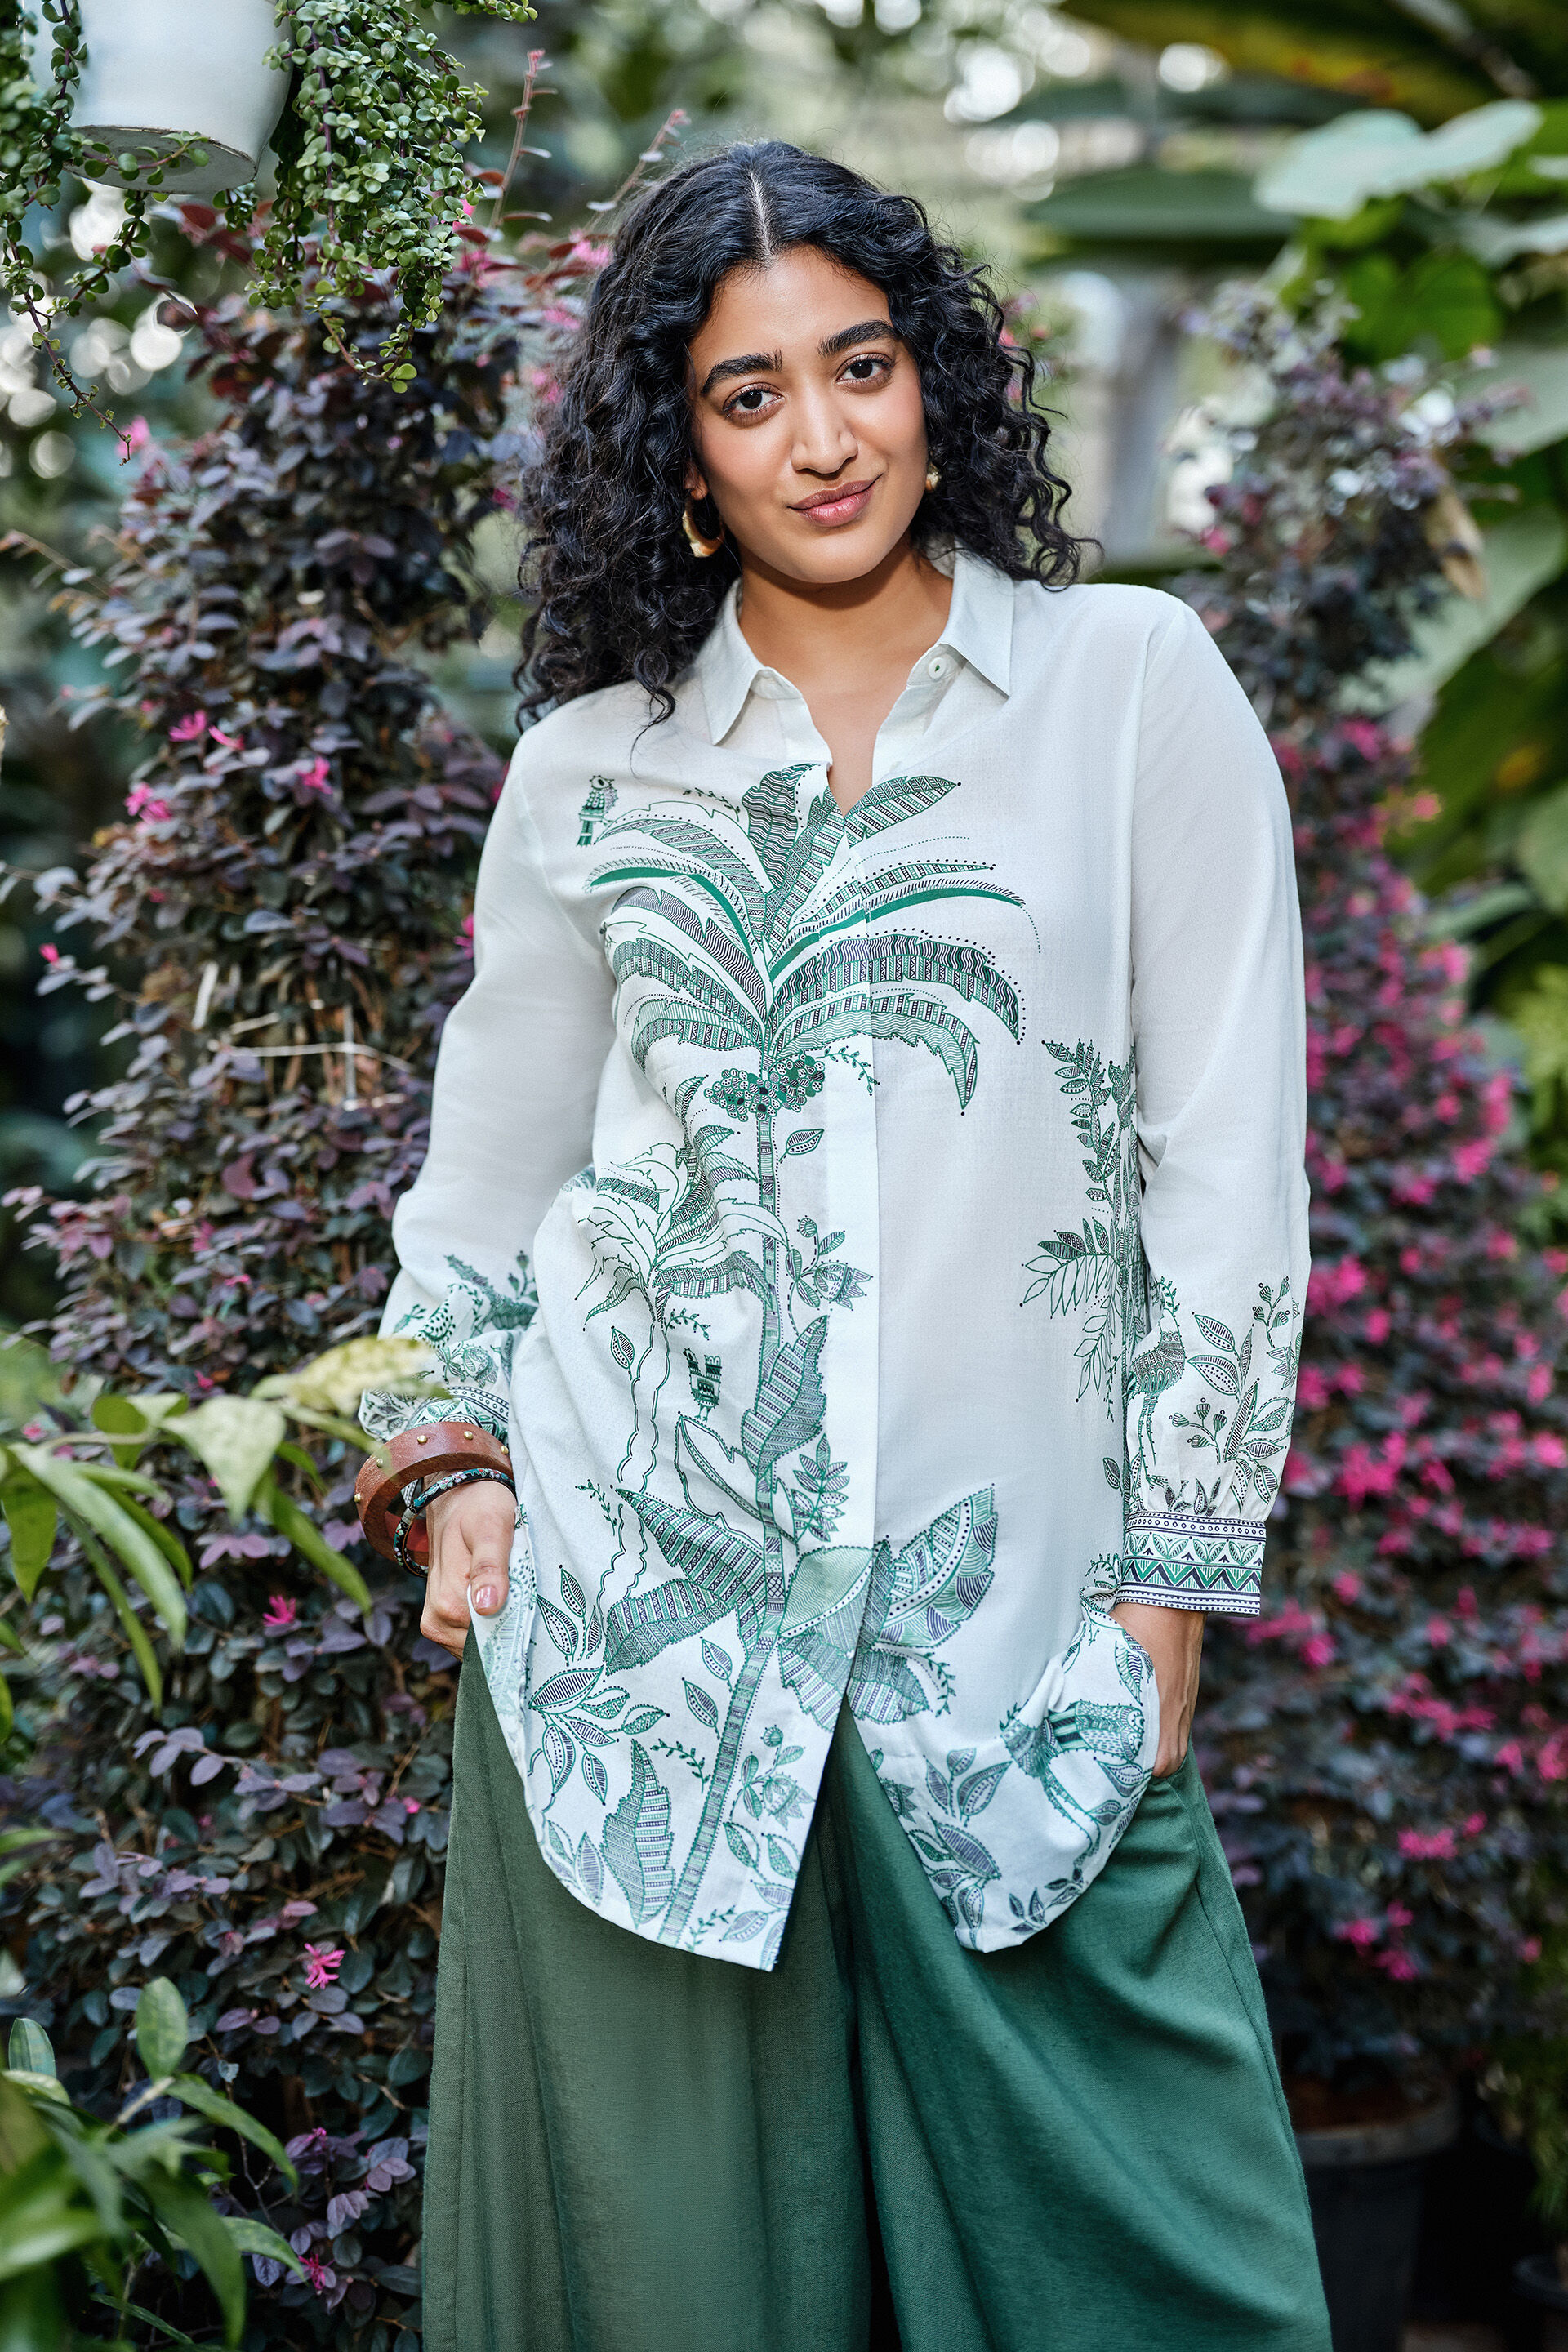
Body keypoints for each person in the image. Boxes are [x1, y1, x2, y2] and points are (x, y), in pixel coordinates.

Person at [354, 140, 1330, 2352]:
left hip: (1024, 1648)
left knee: (1165, 2277)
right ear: (681, 455)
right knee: (689, 2301)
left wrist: (1175, 1583)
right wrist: (455, 1462)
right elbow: (489, 1188)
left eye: (861, 366)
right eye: (749, 393)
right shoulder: (590, 770)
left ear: (936, 384)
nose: (822, 435)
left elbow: (1225, 1164)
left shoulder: (1130, 685)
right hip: (645, 1659)